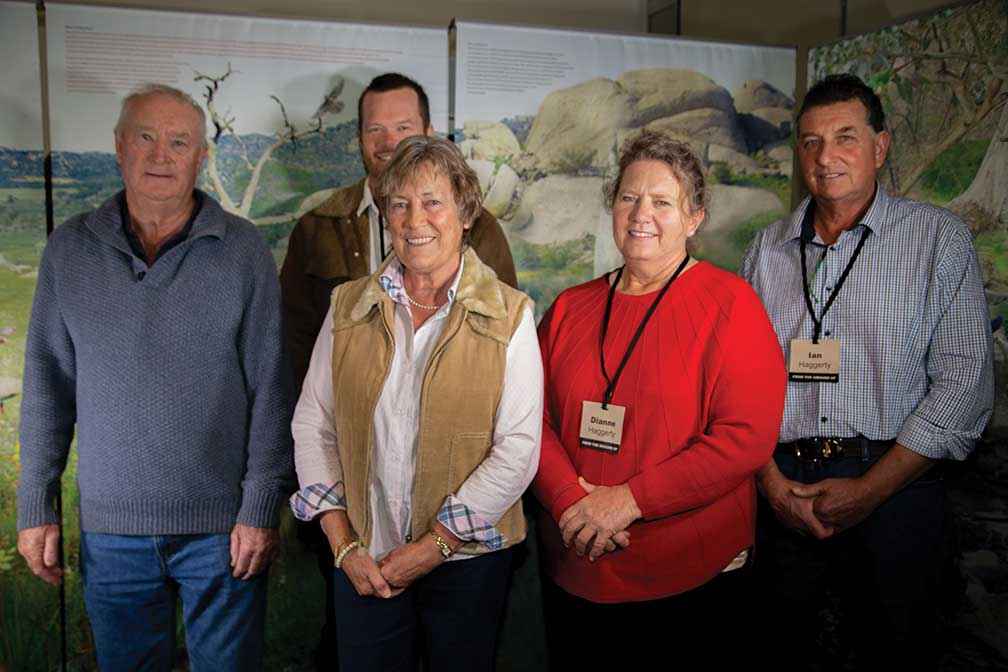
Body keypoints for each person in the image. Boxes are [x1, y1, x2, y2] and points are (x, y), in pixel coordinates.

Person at [15, 84, 291, 670]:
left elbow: (271, 387)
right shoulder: (69, 250)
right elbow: (46, 386)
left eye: (179, 141)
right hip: (112, 535)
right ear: (119, 148)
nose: (161, 154)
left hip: (223, 532)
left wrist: (260, 505)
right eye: (146, 137)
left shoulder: (243, 252)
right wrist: (36, 503)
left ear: (201, 157)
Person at [741, 73, 994, 670]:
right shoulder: (766, 249)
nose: (826, 157)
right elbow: (737, 386)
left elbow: (964, 388)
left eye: (845, 138)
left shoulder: (938, 241)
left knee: (896, 652)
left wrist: (869, 490)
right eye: (810, 142)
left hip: (894, 485)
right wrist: (772, 488)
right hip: (782, 487)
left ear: (880, 146)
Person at [533, 129, 786, 669]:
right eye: (628, 197)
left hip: (688, 579)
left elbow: (745, 439)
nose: (641, 212)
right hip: (575, 563)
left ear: (694, 218)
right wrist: (570, 502)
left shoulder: (731, 305)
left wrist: (627, 500)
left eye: (662, 201)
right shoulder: (570, 309)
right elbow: (527, 421)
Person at [289, 134, 541, 672]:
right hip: (364, 557)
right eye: (399, 204)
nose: (414, 219)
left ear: (465, 212)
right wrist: (343, 544)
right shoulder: (348, 306)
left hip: (470, 563)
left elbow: (518, 447)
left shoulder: (511, 314)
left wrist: (433, 547)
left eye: (433, 202)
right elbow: (314, 423)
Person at [281, 72, 517, 391]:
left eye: (403, 128)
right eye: (375, 129)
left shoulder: (478, 225)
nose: (389, 142)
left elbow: (502, 335)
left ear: (429, 134)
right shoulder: (316, 227)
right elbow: (292, 343)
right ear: (360, 138)